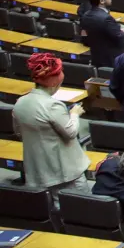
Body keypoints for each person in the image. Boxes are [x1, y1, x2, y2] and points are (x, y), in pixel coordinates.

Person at [13, 54, 92, 201]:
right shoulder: (53, 105)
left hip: (37, 171)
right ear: (55, 80)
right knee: (81, 211)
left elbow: (19, 132)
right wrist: (74, 114)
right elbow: (71, 132)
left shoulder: (20, 102)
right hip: (64, 172)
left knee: (51, 213)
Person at [80, 0, 124, 68]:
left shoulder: (85, 15)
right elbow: (119, 37)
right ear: (102, 1)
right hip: (112, 59)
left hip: (96, 58)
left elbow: (85, 36)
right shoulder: (106, 18)